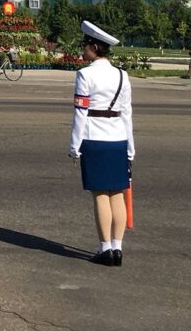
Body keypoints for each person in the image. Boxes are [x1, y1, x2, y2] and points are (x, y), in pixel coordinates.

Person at [69, 20, 134, 267]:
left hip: (94, 138)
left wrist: (74, 146)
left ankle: (105, 247)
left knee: (100, 195)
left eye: (85, 45)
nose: (83, 49)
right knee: (118, 194)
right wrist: (130, 148)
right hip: (118, 138)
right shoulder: (122, 75)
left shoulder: (85, 74)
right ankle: (118, 248)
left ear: (94, 47)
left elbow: (80, 113)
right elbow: (127, 113)